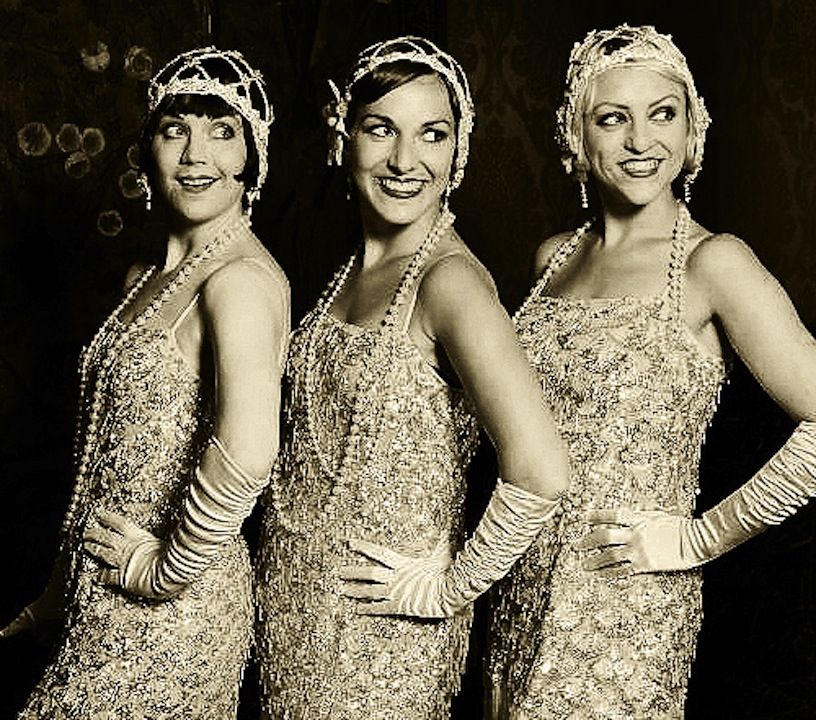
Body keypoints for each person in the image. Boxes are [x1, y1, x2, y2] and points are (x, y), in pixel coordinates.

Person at [486, 24, 816, 719]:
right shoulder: (551, 260)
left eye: (663, 114)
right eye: (614, 119)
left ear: (692, 128)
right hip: (519, 585)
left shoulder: (712, 264)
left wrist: (698, 538)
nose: (641, 141)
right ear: (577, 138)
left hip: (627, 601)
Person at [255, 36, 569, 720]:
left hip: (383, 635)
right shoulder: (352, 267)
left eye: (432, 134)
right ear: (345, 138)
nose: (405, 160)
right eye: (382, 130)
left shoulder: (449, 279)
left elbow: (542, 470)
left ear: (457, 154)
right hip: (292, 613)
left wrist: (445, 590)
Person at [2, 47, 289, 719]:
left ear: (253, 157)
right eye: (175, 129)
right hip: (96, 601)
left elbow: (250, 450)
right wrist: (57, 593)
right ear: (149, 149)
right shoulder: (149, 278)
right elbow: (104, 450)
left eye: (222, 131)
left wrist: (163, 571)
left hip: (171, 617)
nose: (195, 154)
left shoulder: (239, 281)